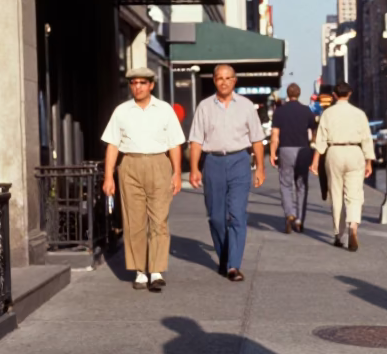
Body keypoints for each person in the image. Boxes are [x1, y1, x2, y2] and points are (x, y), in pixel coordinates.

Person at [101, 67, 184, 292]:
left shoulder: (165, 110)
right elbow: (113, 145)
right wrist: (108, 176)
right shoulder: (122, 111)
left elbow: (174, 143)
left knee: (159, 219)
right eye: (134, 83)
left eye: (142, 83)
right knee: (133, 221)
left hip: (159, 163)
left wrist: (177, 173)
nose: (137, 87)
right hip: (130, 164)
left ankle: (156, 270)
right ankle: (140, 271)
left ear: (151, 85)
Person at [187, 64, 265, 282]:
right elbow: (196, 141)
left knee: (237, 214)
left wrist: (260, 167)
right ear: (214, 80)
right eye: (220, 78)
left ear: (234, 81)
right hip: (213, 162)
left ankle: (233, 265)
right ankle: (224, 258)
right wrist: (194, 168)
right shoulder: (204, 107)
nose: (224, 82)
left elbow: (257, 139)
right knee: (216, 218)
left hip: (239, 160)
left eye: (228, 78)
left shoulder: (246, 106)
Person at [309, 81, 374, 251]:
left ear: (334, 95)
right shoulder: (359, 114)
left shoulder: (328, 113)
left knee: (336, 194)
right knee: (355, 194)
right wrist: (369, 161)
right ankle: (353, 226)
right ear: (349, 94)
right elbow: (366, 138)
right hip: (355, 151)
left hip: (334, 151)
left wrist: (315, 161)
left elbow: (321, 139)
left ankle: (339, 234)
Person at [269, 82, 317, 233]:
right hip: (303, 150)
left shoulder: (279, 111)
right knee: (301, 185)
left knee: (286, 184)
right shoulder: (306, 110)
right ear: (299, 94)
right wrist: (313, 148)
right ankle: (299, 220)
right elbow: (314, 132)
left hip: (285, 150)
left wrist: (272, 152)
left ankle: (289, 213)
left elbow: (275, 135)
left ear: (288, 94)